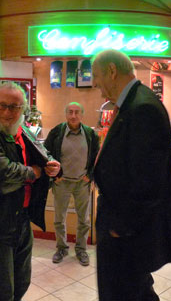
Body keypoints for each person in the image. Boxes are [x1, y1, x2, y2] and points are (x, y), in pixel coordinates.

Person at [91, 49, 171, 301]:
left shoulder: (142, 108)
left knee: (125, 292)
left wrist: (122, 227)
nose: (95, 83)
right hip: (121, 225)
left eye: (97, 75)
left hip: (128, 232)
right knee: (133, 290)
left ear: (111, 71)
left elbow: (148, 181)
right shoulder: (133, 102)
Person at [0, 82, 61, 301]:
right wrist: (36, 172)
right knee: (2, 291)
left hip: (20, 218)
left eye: (15, 107)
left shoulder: (21, 129)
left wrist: (52, 163)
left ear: (23, 109)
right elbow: (1, 176)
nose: (8, 112)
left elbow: (41, 152)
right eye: (2, 106)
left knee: (21, 282)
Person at [44, 102, 99, 266]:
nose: (73, 116)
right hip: (62, 183)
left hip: (82, 183)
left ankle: (81, 249)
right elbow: (45, 153)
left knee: (84, 220)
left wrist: (90, 176)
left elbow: (97, 157)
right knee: (59, 219)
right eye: (70, 112)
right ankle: (61, 248)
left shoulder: (90, 134)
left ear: (82, 115)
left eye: (76, 112)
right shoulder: (57, 132)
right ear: (66, 114)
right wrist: (55, 176)